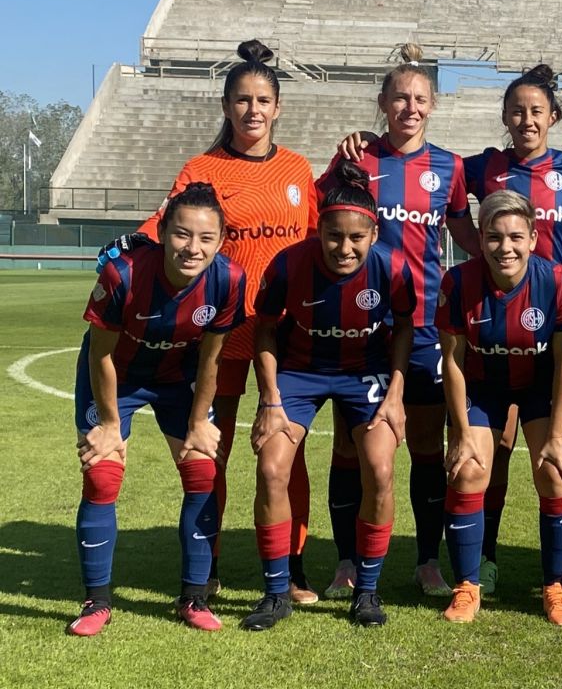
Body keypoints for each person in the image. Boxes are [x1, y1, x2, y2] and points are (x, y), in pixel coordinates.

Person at [339, 65, 562, 595]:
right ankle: (483, 556)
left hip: (552, 327)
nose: (527, 119)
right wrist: (367, 140)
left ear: (554, 116)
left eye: (537, 111)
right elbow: (454, 207)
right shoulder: (479, 168)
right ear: (505, 117)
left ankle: (560, 567)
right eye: (518, 111)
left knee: (557, 452)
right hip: (482, 325)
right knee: (492, 451)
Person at [103, 40, 320, 602]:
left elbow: (320, 243)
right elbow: (163, 227)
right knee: (209, 448)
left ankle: (292, 564)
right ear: (226, 107)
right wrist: (125, 246)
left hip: (283, 336)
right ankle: (210, 559)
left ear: (278, 108)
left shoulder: (297, 169)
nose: (253, 110)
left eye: (264, 100)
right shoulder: (202, 169)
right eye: (243, 100)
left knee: (284, 451)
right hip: (214, 333)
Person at [319, 44, 479, 599]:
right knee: (350, 445)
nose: (410, 107)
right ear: (383, 103)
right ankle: (345, 560)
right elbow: (319, 220)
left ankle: (427, 559)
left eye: (420, 98)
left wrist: (510, 271)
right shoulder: (356, 160)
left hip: (427, 324)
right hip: (363, 325)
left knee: (427, 448)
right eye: (400, 97)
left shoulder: (449, 167)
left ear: (432, 106)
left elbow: (463, 234)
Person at [242, 163, 415, 631]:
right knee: (271, 468)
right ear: (318, 229)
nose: (345, 247)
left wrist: (395, 394)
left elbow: (404, 327)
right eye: (334, 236)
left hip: (366, 374)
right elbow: (265, 329)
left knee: (379, 468)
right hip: (299, 373)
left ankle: (367, 590)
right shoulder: (289, 263)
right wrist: (270, 398)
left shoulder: (394, 267)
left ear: (373, 233)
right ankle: (276, 593)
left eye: (356, 238)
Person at [69, 184, 246, 636]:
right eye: (182, 234)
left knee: (203, 470)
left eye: (206, 238)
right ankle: (97, 602)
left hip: (177, 380)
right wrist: (109, 424)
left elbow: (211, 358)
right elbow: (100, 355)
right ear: (163, 232)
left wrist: (198, 422)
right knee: (102, 473)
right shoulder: (122, 274)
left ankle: (194, 596)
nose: (193, 248)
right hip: (118, 377)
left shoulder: (228, 279)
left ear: (221, 239)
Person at [437, 190, 562, 626]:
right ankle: (468, 585)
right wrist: (462, 433)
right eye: (495, 237)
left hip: (542, 386)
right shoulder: (459, 283)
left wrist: (557, 436)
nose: (506, 248)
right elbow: (453, 361)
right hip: (484, 387)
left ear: (534, 238)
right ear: (479, 240)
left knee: (556, 472)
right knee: (469, 468)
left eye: (516, 237)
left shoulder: (557, 280)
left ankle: (555, 585)